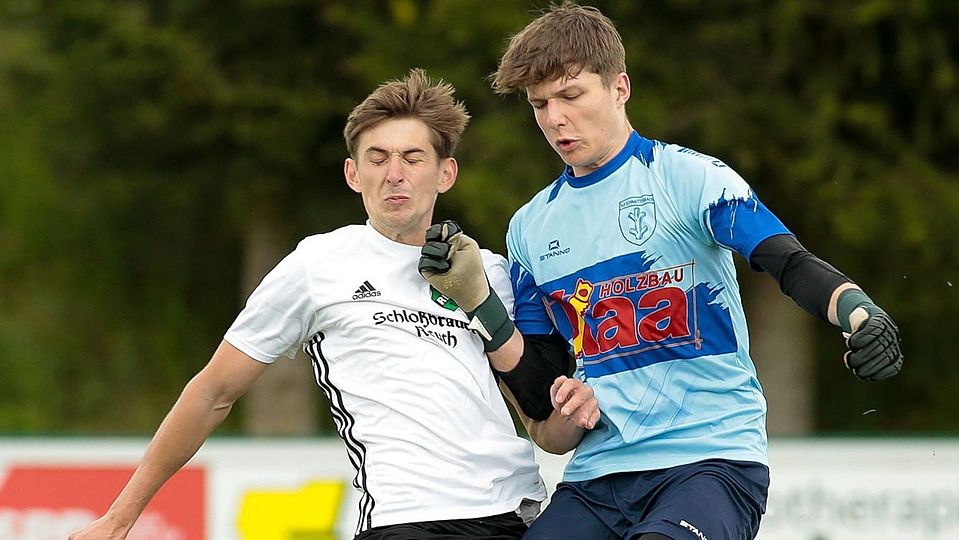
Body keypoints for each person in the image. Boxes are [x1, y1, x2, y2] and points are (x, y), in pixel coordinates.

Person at [417, 4, 904, 540]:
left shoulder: (689, 177)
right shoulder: (530, 228)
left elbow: (786, 262)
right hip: (596, 479)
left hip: (710, 462)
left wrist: (861, 311)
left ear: (620, 87)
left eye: (571, 95)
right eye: (540, 104)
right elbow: (547, 421)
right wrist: (482, 307)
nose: (555, 118)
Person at [69, 68, 599, 540]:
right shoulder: (318, 265)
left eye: (413, 157)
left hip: (519, 514)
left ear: (445, 174)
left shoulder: (491, 272)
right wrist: (120, 516)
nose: (395, 173)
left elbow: (543, 423)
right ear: (353, 175)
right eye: (378, 158)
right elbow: (213, 392)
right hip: (408, 518)